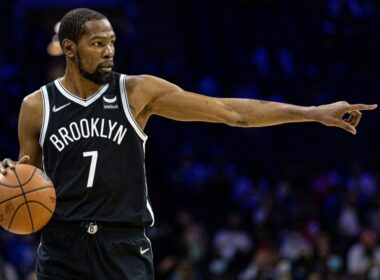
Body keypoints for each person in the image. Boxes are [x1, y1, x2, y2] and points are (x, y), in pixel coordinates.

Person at [0, 8, 377, 280]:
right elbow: (30, 181)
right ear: (68, 48)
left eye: (112, 43)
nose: (109, 51)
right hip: (62, 249)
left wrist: (312, 112)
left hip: (123, 246)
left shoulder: (137, 91)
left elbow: (230, 112)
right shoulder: (36, 106)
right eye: (97, 44)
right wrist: (10, 178)